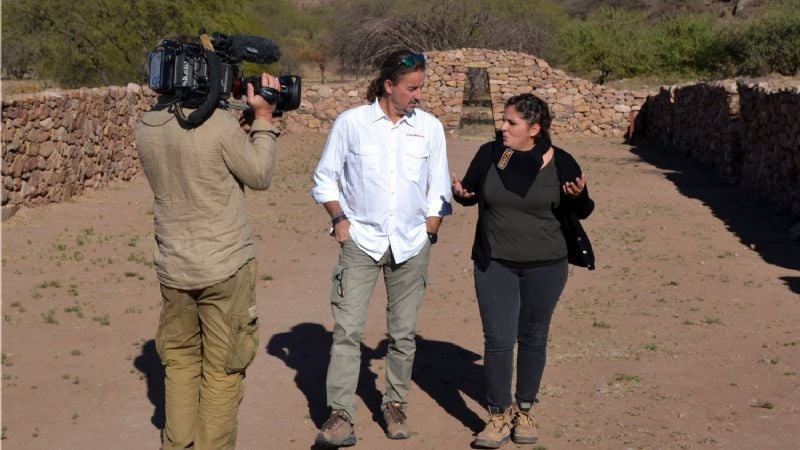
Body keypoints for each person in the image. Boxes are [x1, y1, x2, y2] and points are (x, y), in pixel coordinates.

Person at [136, 58, 282, 449]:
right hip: (224, 266)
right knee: (223, 370)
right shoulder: (217, 126)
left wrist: (240, 132)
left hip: (174, 268)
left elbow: (196, 163)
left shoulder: (148, 125)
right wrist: (263, 119)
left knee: (181, 364)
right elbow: (259, 175)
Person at [310, 49, 452, 447]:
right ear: (388, 86)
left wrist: (431, 229)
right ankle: (341, 415)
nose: (418, 95)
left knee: (403, 334)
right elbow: (325, 178)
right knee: (347, 330)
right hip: (361, 242)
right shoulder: (351, 123)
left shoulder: (429, 128)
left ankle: (394, 405)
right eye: (411, 88)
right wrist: (339, 219)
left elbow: (439, 187)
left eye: (421, 88)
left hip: (411, 243)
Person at [451, 93, 595, 448]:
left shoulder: (560, 161)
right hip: (495, 262)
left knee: (533, 337)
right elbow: (470, 192)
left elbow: (583, 209)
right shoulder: (490, 154)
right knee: (498, 339)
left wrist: (578, 195)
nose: (502, 127)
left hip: (546, 265)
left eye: (511, 122)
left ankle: (525, 410)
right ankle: (498, 415)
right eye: (503, 119)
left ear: (534, 129)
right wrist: (462, 194)